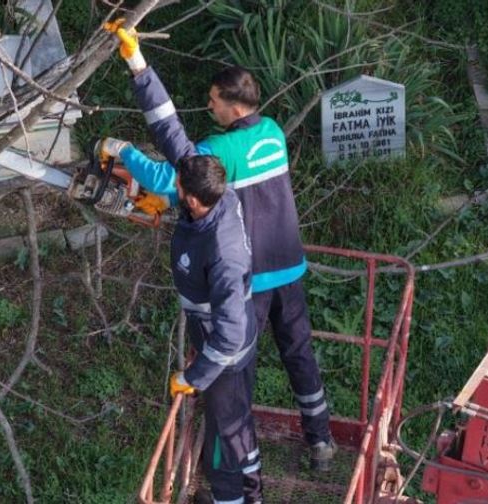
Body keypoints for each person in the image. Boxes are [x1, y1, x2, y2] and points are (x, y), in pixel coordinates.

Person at [101, 20, 338, 470]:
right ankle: (321, 440)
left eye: (212, 102)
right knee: (299, 353)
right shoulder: (271, 132)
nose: (208, 108)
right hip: (290, 267)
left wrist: (123, 149)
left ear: (231, 105)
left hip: (249, 279)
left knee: (234, 376)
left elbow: (167, 168)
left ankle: (236, 464)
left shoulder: (219, 153)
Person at [166, 155, 262, 504]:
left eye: (177, 189)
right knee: (238, 424)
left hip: (226, 356)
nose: (173, 190)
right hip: (235, 339)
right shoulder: (222, 197)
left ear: (192, 198)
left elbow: (230, 334)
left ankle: (232, 498)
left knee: (223, 442)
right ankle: (254, 493)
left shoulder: (222, 255)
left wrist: (194, 377)